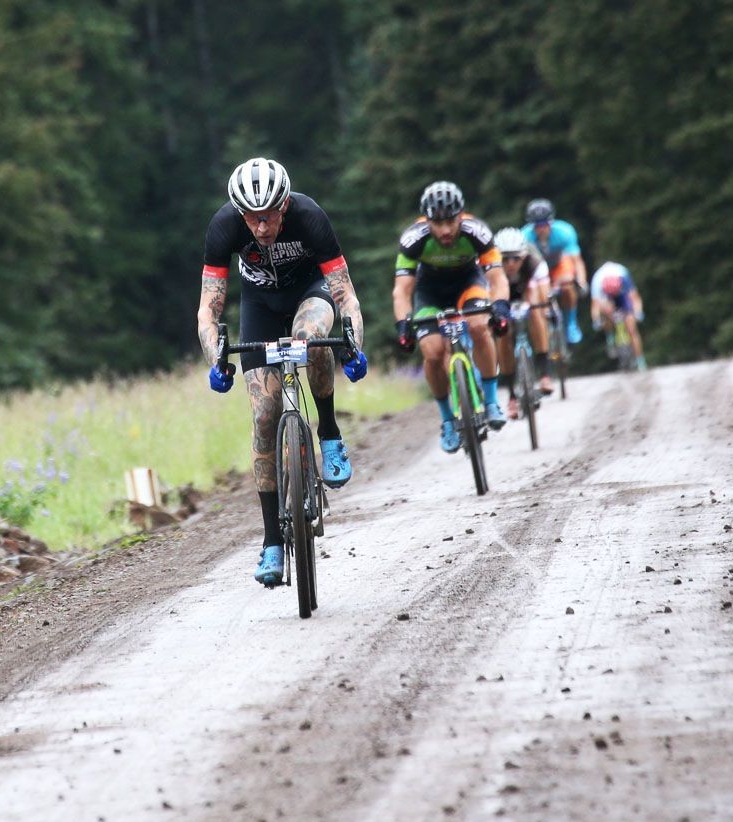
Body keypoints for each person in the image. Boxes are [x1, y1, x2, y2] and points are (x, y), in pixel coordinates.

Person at [198, 157, 368, 586]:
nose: (260, 227)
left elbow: (345, 295)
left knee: (308, 339)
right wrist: (215, 356)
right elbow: (209, 308)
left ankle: (328, 433)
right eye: (251, 219)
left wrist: (353, 345)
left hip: (311, 293)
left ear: (284, 205)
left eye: (269, 216)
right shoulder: (223, 227)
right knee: (263, 415)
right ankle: (272, 542)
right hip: (260, 307)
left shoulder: (309, 216)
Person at [393, 181, 511, 452]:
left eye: (451, 221)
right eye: (438, 223)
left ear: (461, 215)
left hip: (468, 283)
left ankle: (491, 401)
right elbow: (402, 290)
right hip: (429, 291)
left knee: (480, 326)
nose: (445, 230)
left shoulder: (477, 232)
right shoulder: (414, 239)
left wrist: (501, 307)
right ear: (427, 221)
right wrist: (403, 325)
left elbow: (497, 278)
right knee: (432, 352)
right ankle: (447, 419)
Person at [492, 227, 553, 419]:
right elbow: (488, 296)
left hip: (528, 290)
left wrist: (540, 307)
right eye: (505, 259)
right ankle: (511, 395)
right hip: (501, 295)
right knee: (502, 332)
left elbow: (543, 294)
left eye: (516, 258)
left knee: (537, 313)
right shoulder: (489, 266)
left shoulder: (535, 263)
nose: (510, 264)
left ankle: (544, 373)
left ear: (524, 256)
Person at [521, 198, 588, 345]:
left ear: (551, 222)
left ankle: (571, 323)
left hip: (559, 266)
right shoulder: (524, 237)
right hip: (536, 269)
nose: (541, 229)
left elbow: (576, 261)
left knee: (568, 285)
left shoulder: (565, 231)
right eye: (536, 226)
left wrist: (582, 281)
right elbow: (523, 268)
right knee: (536, 299)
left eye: (544, 224)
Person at [590, 260, 647, 371]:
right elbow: (595, 306)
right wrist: (596, 320)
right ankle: (610, 333)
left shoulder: (624, 276)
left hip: (622, 296)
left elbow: (635, 298)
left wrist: (638, 312)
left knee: (632, 329)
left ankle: (640, 361)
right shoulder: (597, 281)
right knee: (606, 310)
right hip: (606, 298)